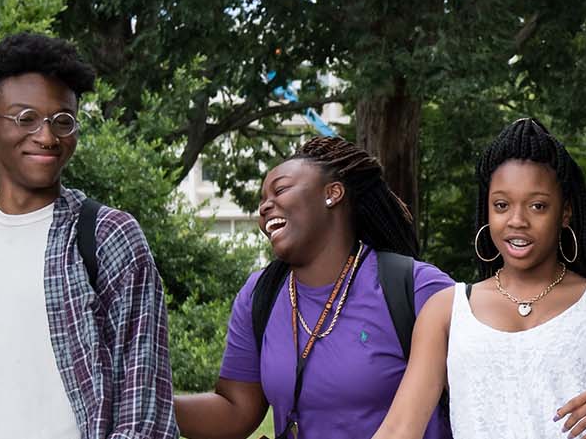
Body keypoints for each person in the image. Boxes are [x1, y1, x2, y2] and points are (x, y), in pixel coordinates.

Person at [0, 33, 177, 439]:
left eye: (63, 120)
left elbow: (142, 401)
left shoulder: (109, 237)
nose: (47, 136)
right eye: (25, 118)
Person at [373, 118, 586, 439]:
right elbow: (399, 429)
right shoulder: (445, 312)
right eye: (502, 205)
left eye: (537, 206)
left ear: (565, 212)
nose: (517, 220)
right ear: (487, 212)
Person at [173, 137, 456, 439]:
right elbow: (235, 410)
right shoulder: (260, 294)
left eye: (280, 190)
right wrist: (148, 402)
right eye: (262, 200)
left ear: (332, 194)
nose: (265, 207)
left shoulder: (417, 289)